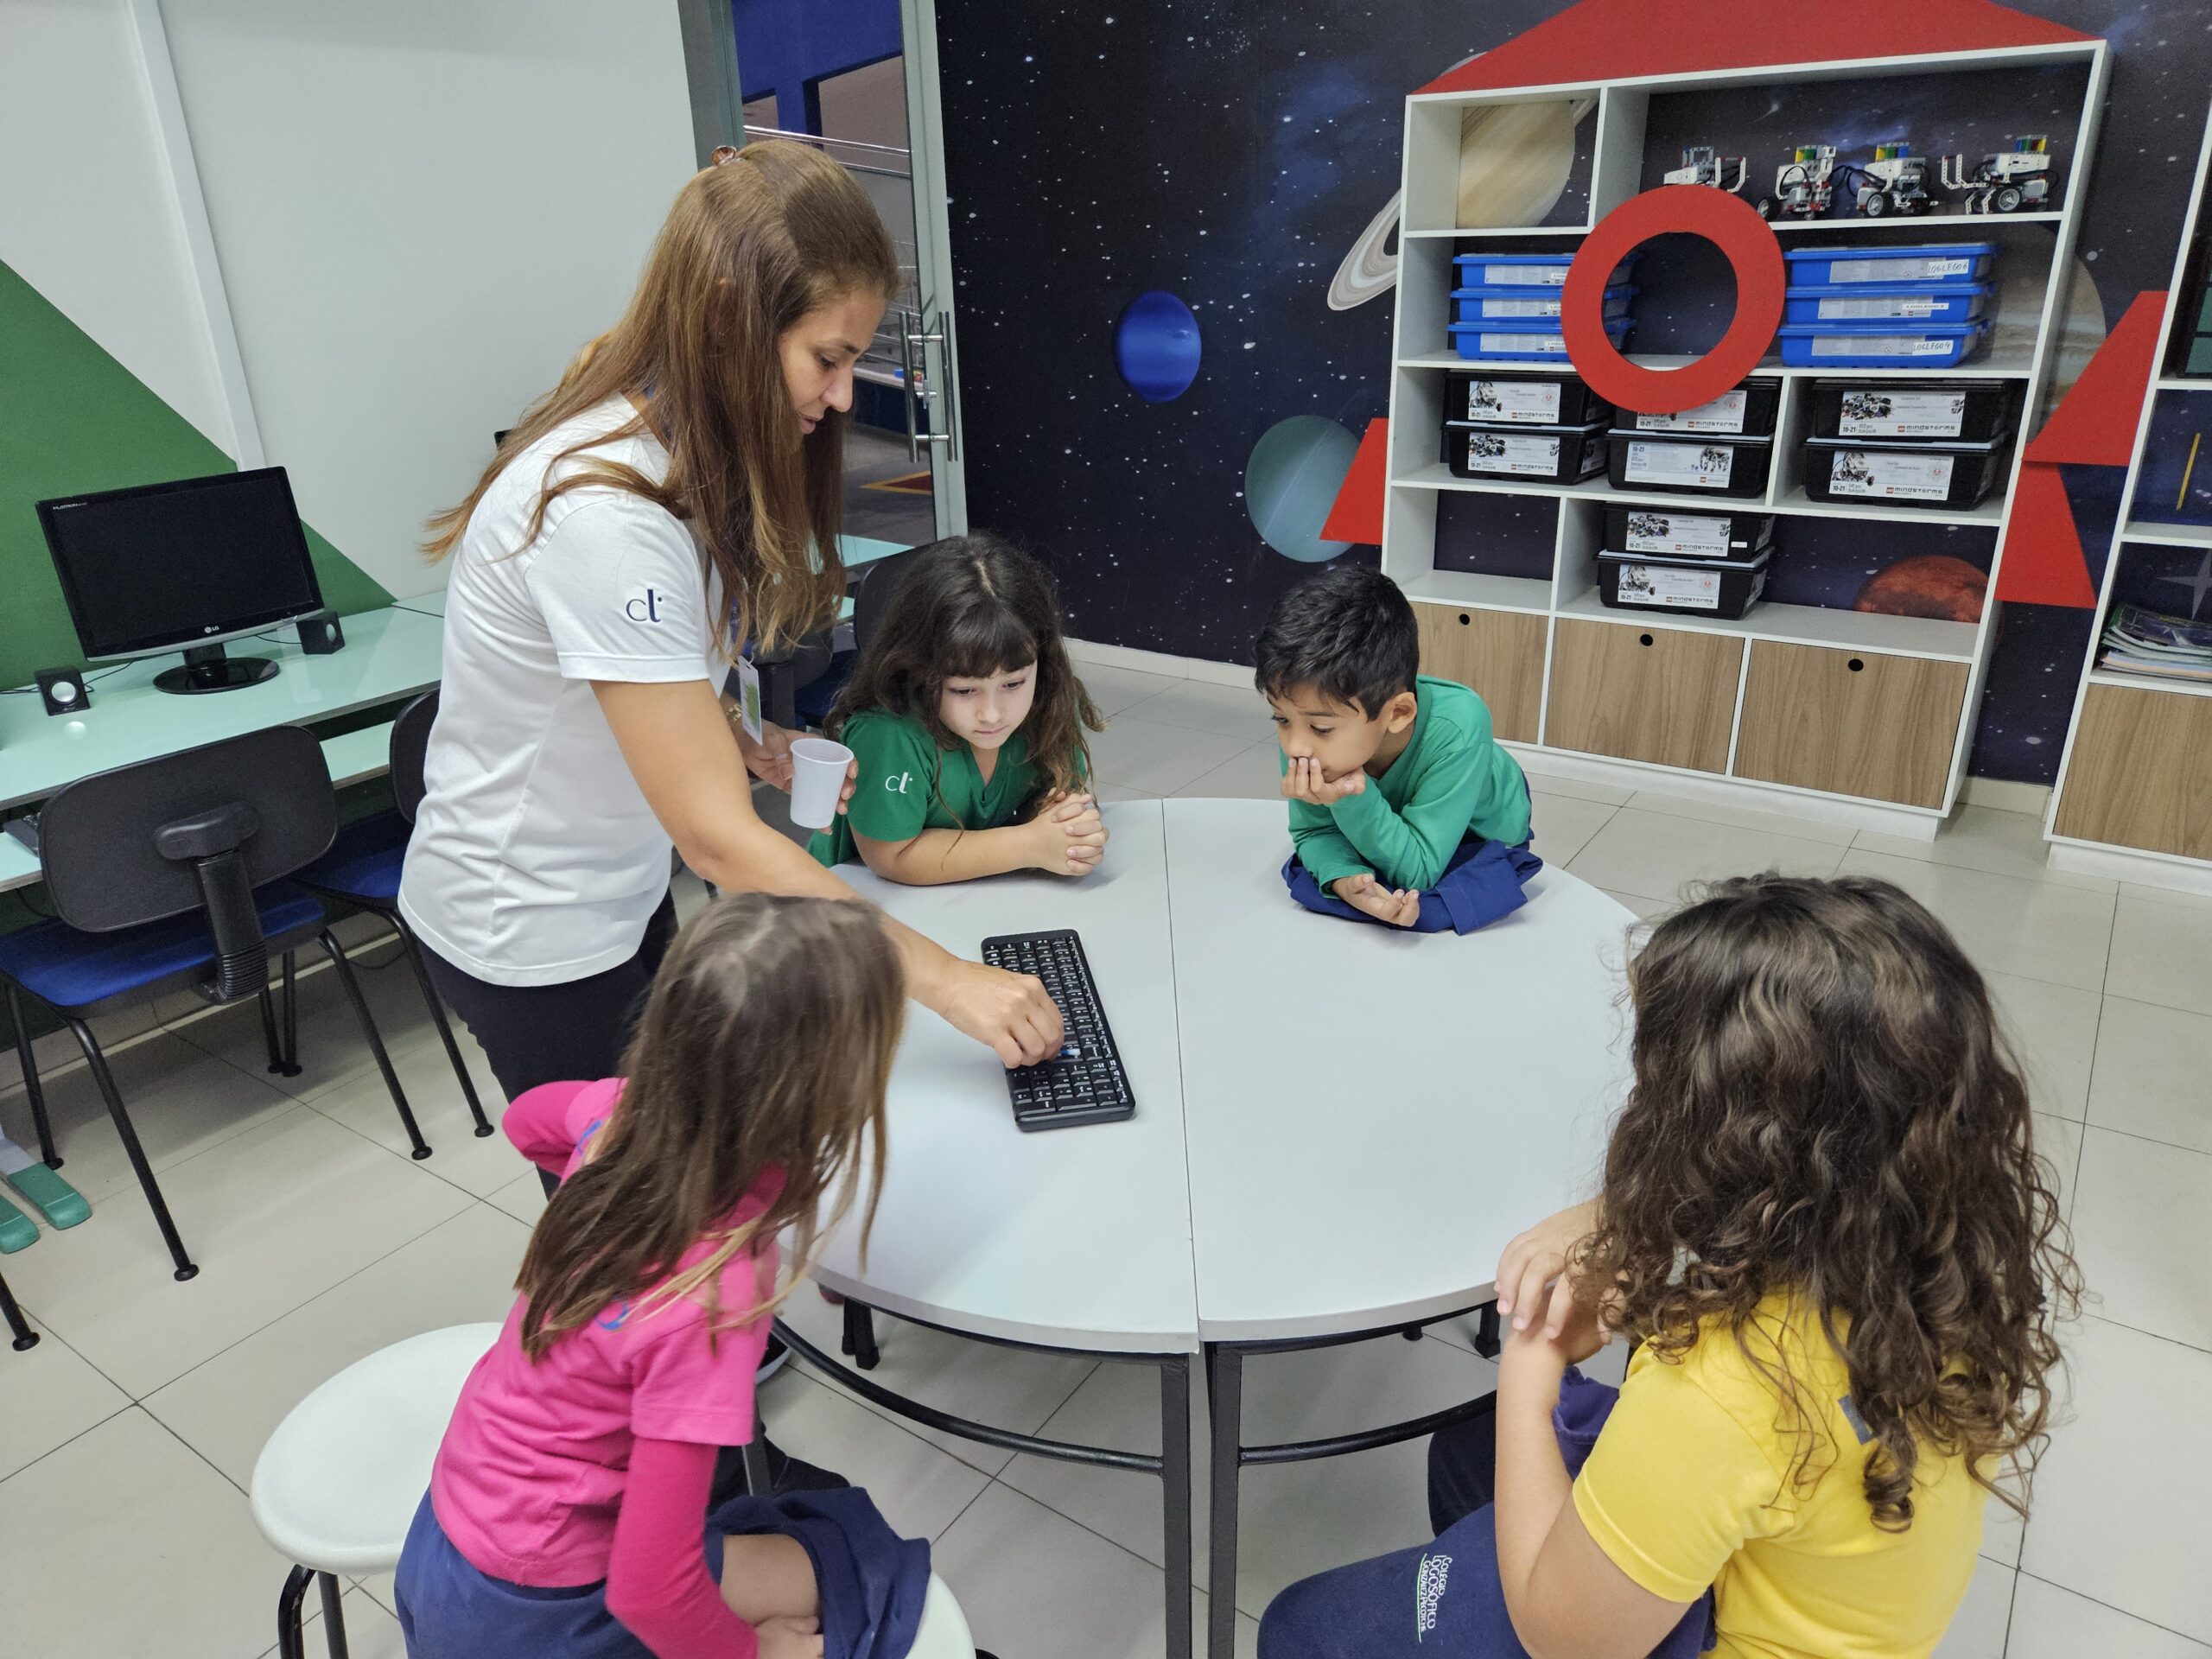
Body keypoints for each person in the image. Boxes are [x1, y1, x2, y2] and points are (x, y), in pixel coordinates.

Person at [398, 140, 1063, 1114]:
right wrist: (949, 980)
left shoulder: (679, 463)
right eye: (828, 359)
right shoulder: (604, 516)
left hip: (617, 891)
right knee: (629, 1190)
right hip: (529, 926)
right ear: (724, 317)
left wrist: (740, 739)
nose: (844, 395)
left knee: (679, 1145)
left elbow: (640, 679)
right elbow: (717, 841)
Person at [1257, 874, 2081, 1659]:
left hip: (1701, 1629)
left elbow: (1562, 1642)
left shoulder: (1724, 1396)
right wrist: (1621, 1214)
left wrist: (1533, 1358)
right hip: (1837, 1598)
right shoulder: (1941, 1255)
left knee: (1302, 1626)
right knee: (1467, 1455)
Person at [396, 893, 903, 1659]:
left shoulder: (617, 1116)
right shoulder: (717, 1296)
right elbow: (650, 1589)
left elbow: (526, 1120)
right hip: (542, 1610)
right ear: (832, 1094)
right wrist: (757, 1654)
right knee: (867, 1572)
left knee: (816, 1550)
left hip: (449, 1534)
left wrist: (599, 1191)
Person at [809, 534, 1108, 884]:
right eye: (964, 690)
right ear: (918, 667)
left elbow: (1061, 799)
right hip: (847, 899)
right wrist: (1029, 845)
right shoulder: (887, 732)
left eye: (1013, 684)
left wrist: (1072, 833)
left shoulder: (1051, 696)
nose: (992, 714)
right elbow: (891, 857)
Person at [1252, 564, 1531, 932]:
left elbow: (1419, 872)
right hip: (1384, 819)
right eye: (1281, 720)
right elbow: (1313, 832)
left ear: (1398, 713)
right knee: (1317, 879)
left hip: (1475, 829)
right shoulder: (1304, 723)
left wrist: (1349, 797)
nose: (1296, 748)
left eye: (1321, 728)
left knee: (1438, 903)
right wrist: (1345, 881)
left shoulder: (1461, 724)